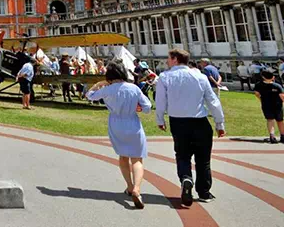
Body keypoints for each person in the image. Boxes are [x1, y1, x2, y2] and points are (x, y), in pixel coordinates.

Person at [156, 48, 226, 207]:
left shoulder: (165, 77)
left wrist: (160, 119)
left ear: (174, 59)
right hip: (200, 121)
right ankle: (204, 191)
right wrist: (219, 123)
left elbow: (160, 101)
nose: (167, 61)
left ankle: (186, 178)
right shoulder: (200, 77)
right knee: (203, 159)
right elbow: (213, 101)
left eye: (168, 58)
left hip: (178, 121)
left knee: (182, 154)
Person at [86, 60, 152, 209]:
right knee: (137, 158)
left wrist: (98, 85)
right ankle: (137, 188)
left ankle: (129, 186)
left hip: (116, 123)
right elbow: (147, 106)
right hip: (132, 121)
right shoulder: (133, 88)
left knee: (123, 156)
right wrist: (139, 108)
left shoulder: (108, 89)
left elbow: (90, 96)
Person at [254, 68, 284, 144]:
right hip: (277, 106)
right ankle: (282, 135)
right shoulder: (277, 86)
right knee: (280, 121)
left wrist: (261, 100)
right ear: (273, 77)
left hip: (266, 105)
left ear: (263, 77)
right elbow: (282, 96)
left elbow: (257, 94)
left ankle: (272, 136)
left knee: (270, 120)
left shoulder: (258, 85)